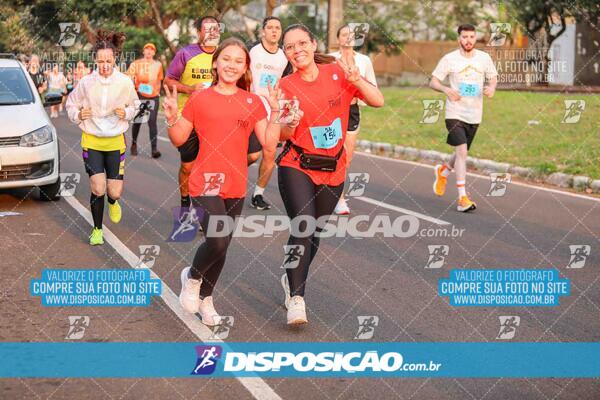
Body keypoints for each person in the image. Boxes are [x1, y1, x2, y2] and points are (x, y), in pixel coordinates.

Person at [163, 38, 283, 325]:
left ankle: (206, 301)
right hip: (204, 181)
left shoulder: (252, 102)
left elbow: (268, 143)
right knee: (216, 241)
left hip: (235, 185)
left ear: (245, 68)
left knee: (222, 247)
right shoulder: (200, 98)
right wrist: (171, 118)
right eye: (226, 59)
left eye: (238, 61)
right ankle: (191, 278)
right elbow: (180, 138)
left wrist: (276, 111)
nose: (231, 65)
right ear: (215, 63)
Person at [276, 24, 384, 324]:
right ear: (286, 53)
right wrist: (291, 123)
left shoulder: (337, 73)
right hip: (296, 163)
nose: (297, 50)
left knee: (314, 233)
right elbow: (282, 135)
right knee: (304, 225)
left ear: (313, 44)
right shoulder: (286, 86)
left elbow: (378, 100)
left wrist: (357, 80)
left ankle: (290, 276)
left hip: (333, 167)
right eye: (290, 47)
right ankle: (297, 297)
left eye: (301, 43)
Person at [66, 30, 139, 245]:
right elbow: (71, 103)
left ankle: (113, 202)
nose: (105, 65)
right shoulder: (87, 82)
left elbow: (135, 105)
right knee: (97, 187)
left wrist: (126, 113)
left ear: (115, 58)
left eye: (108, 60)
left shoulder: (124, 82)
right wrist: (78, 115)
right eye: (101, 61)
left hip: (116, 141)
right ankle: (97, 230)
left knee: (113, 191)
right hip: (92, 140)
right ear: (96, 61)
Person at [429, 23, 497, 212]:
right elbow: (433, 81)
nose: (468, 40)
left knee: (461, 152)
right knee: (462, 153)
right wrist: (446, 89)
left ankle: (443, 171)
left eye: (472, 37)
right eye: (465, 37)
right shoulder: (449, 59)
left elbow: (493, 77)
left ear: (475, 38)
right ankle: (462, 198)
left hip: (475, 113)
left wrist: (491, 87)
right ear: (459, 38)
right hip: (455, 112)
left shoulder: (484, 58)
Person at [164, 15, 220, 211]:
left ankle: (204, 208)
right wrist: (189, 89)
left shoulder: (224, 55)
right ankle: (185, 201)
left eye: (216, 29)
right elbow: (168, 80)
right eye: (208, 29)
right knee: (189, 167)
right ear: (199, 33)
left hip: (214, 119)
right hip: (186, 117)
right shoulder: (186, 53)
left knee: (209, 166)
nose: (213, 33)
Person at [330, 24, 378, 215]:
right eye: (344, 34)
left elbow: (372, 86)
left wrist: (360, 93)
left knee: (346, 157)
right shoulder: (329, 59)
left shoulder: (364, 61)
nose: (348, 38)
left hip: (351, 111)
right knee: (330, 153)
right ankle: (328, 191)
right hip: (332, 112)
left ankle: (339, 198)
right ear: (338, 38)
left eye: (351, 35)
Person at [246, 16, 289, 210]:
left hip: (271, 110)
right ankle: (228, 170)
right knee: (253, 155)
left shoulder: (284, 57)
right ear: (263, 31)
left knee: (269, 154)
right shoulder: (252, 51)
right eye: (270, 27)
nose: (274, 31)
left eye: (277, 28)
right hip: (250, 108)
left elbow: (287, 83)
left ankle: (258, 195)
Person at [127, 42, 164, 158]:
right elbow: (129, 78)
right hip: (140, 96)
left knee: (152, 121)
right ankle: (133, 144)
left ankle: (154, 150)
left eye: (151, 49)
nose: (149, 51)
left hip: (153, 97)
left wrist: (157, 92)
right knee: (138, 122)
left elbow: (160, 80)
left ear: (154, 52)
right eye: (147, 49)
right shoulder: (136, 64)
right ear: (143, 51)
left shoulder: (158, 65)